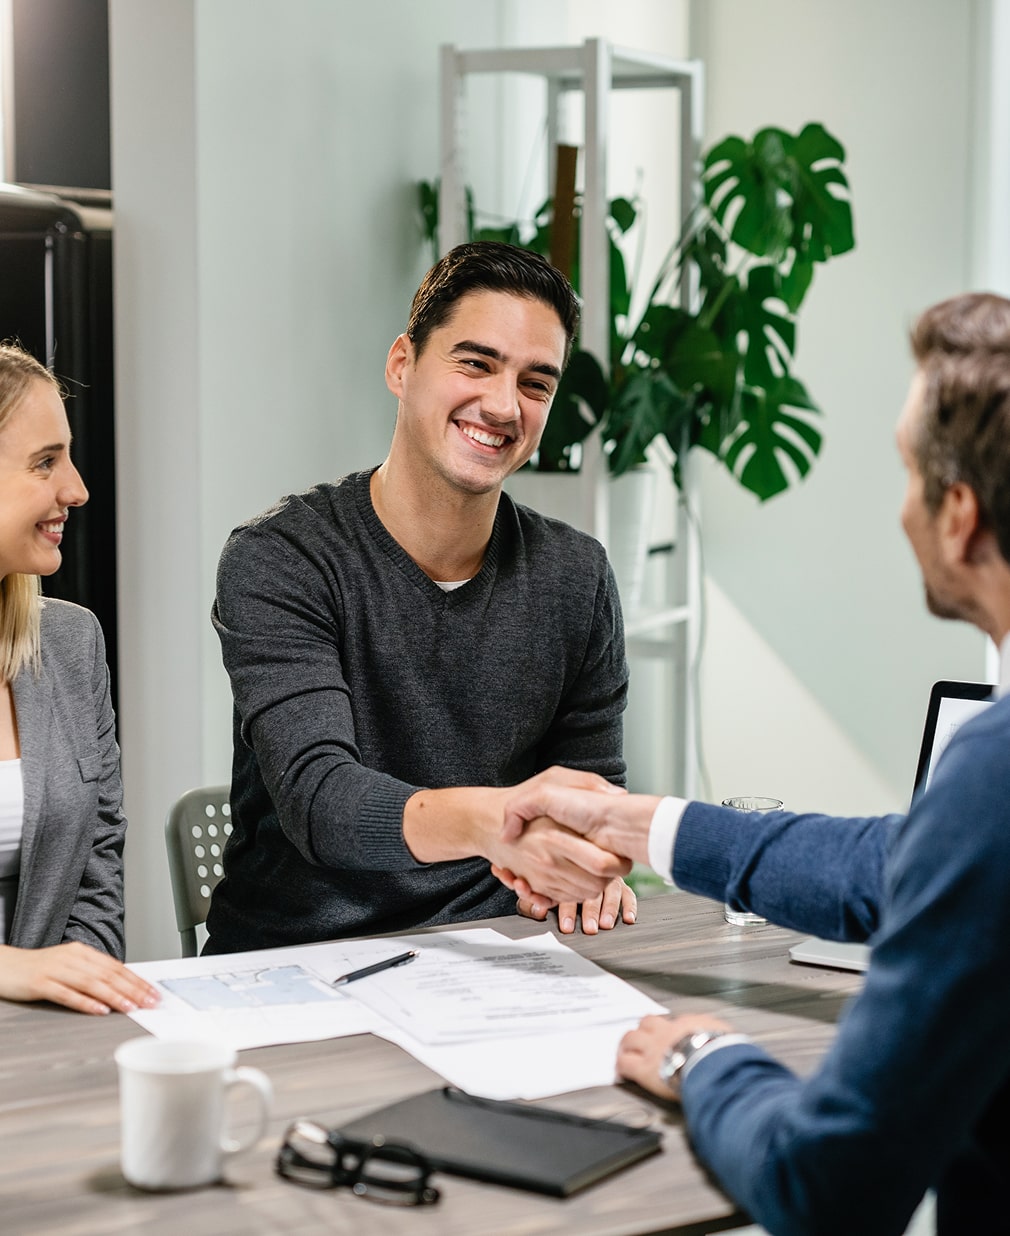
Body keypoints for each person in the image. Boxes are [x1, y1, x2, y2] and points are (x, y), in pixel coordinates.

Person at [498, 292, 1010, 1235]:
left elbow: (829, 1187)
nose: (900, 509)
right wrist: (637, 822)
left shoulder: (997, 772)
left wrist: (707, 1059)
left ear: (961, 516)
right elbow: (895, 866)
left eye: (907, 473)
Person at [205, 241, 635, 954]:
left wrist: (593, 860)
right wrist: (505, 821)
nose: (502, 405)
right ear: (402, 364)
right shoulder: (282, 559)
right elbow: (324, 804)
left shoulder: (576, 575)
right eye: (475, 362)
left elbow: (589, 797)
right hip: (300, 965)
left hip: (502, 955)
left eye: (536, 383)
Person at [0, 343, 158, 1016]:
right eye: (45, 462)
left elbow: (99, 870)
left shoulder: (71, 643)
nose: (77, 488)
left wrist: (67, 1004)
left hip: (50, 1046)